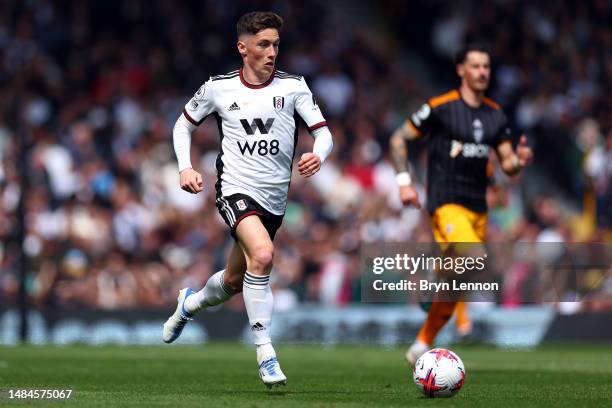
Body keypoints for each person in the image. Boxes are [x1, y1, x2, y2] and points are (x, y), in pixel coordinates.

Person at [162, 11, 333, 388]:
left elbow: (324, 133)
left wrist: (319, 154)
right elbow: (182, 125)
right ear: (243, 48)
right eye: (263, 44)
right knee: (264, 255)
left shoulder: (293, 88)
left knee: (235, 280)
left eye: (275, 44)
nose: (272, 52)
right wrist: (184, 168)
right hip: (235, 189)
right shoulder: (219, 88)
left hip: (274, 200)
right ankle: (265, 353)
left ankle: (189, 303)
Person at [389, 43, 533, 364]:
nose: (482, 72)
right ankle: (435, 278)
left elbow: (508, 164)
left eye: (486, 67)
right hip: (446, 202)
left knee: (457, 282)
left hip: (478, 208)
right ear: (461, 70)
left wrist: (520, 161)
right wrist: (404, 183)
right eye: (476, 66)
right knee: (474, 256)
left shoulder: (496, 116)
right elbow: (399, 138)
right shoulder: (440, 108)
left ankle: (421, 342)